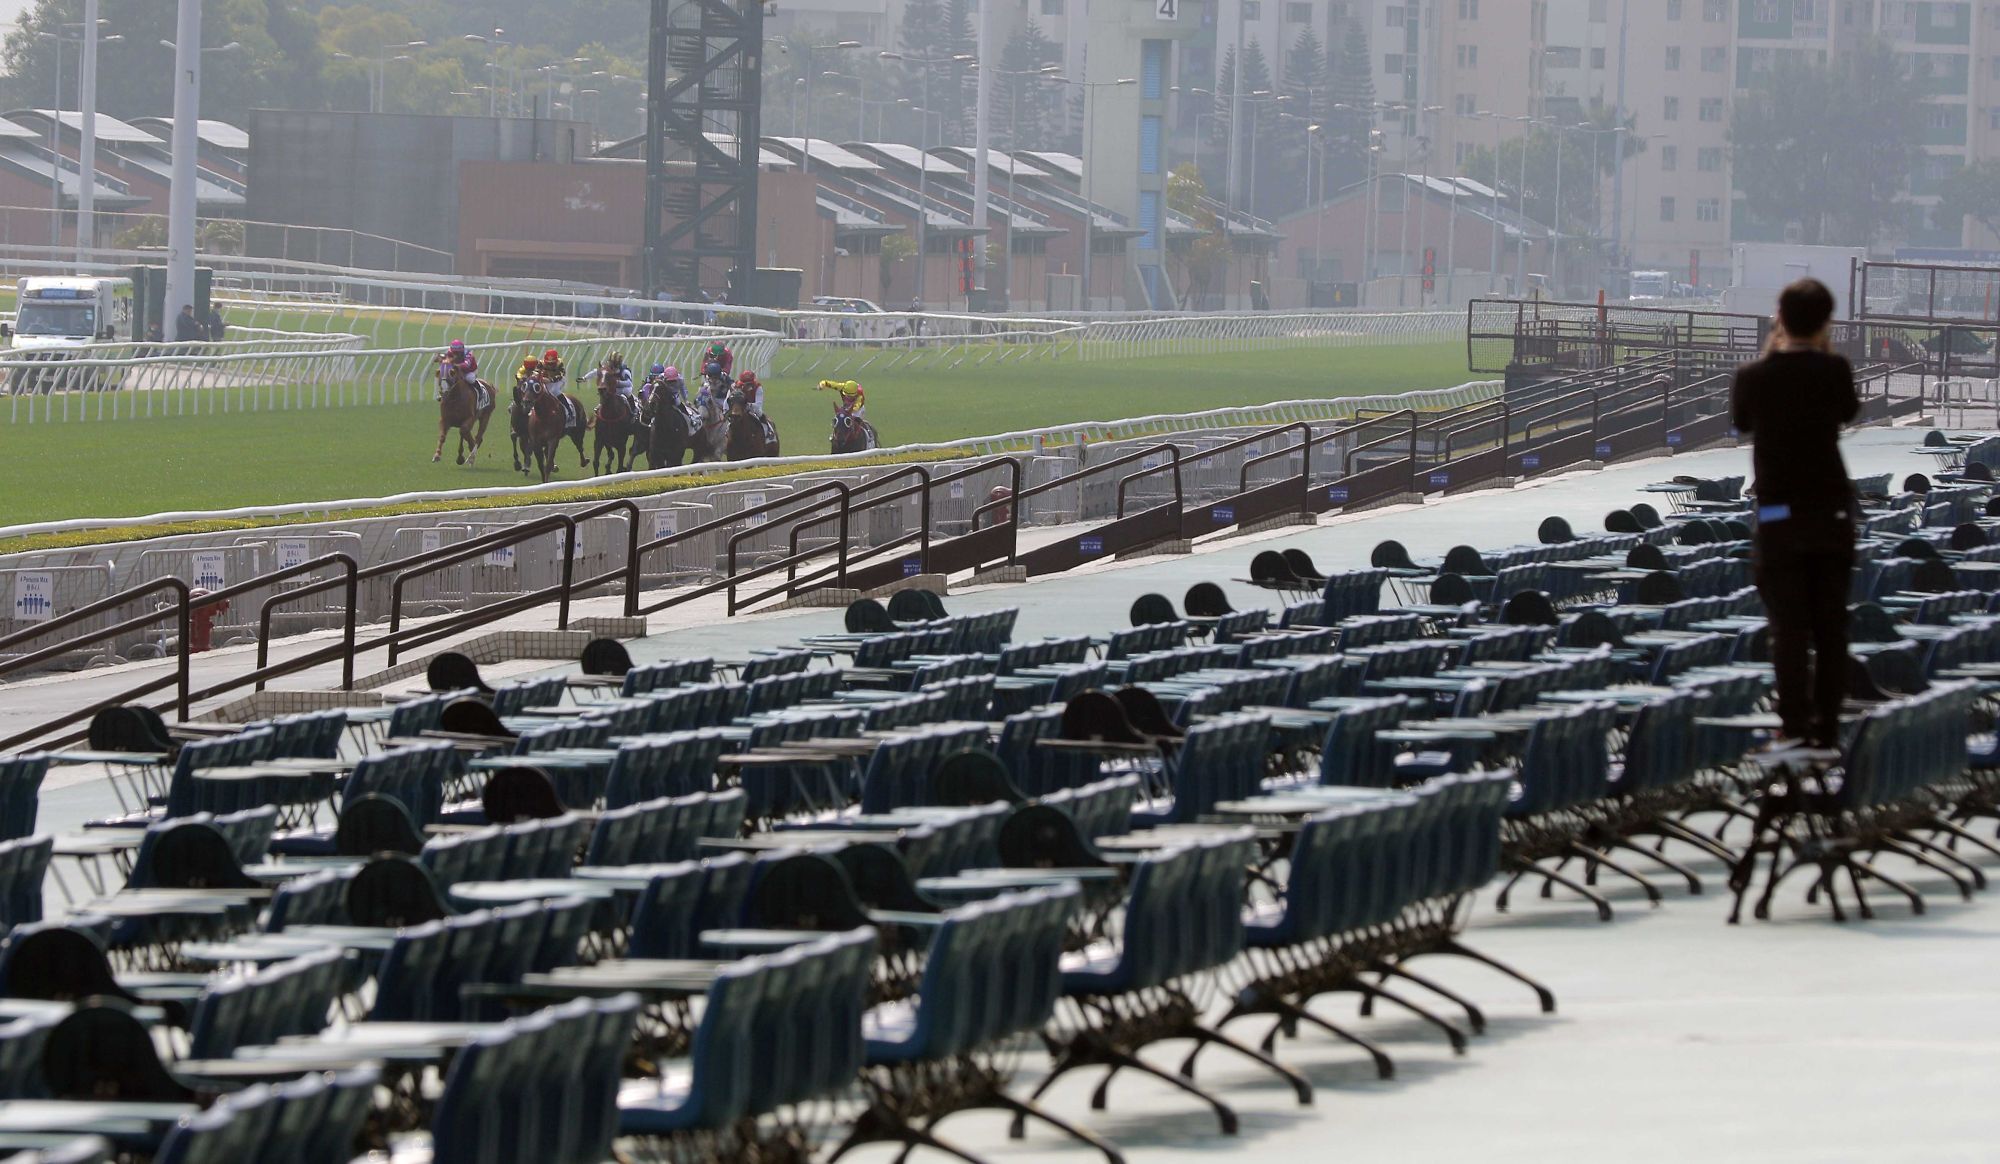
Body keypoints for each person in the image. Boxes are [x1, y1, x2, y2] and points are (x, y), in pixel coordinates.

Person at [1730, 277, 1860, 753]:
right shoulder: (1835, 370)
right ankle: (1827, 727)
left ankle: (1794, 725)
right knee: (1830, 627)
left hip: (1780, 518)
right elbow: (1847, 412)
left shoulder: (1754, 376)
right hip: (1829, 514)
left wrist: (1773, 351)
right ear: (1826, 321)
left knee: (1788, 629)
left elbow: (1743, 422)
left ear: (1779, 318)